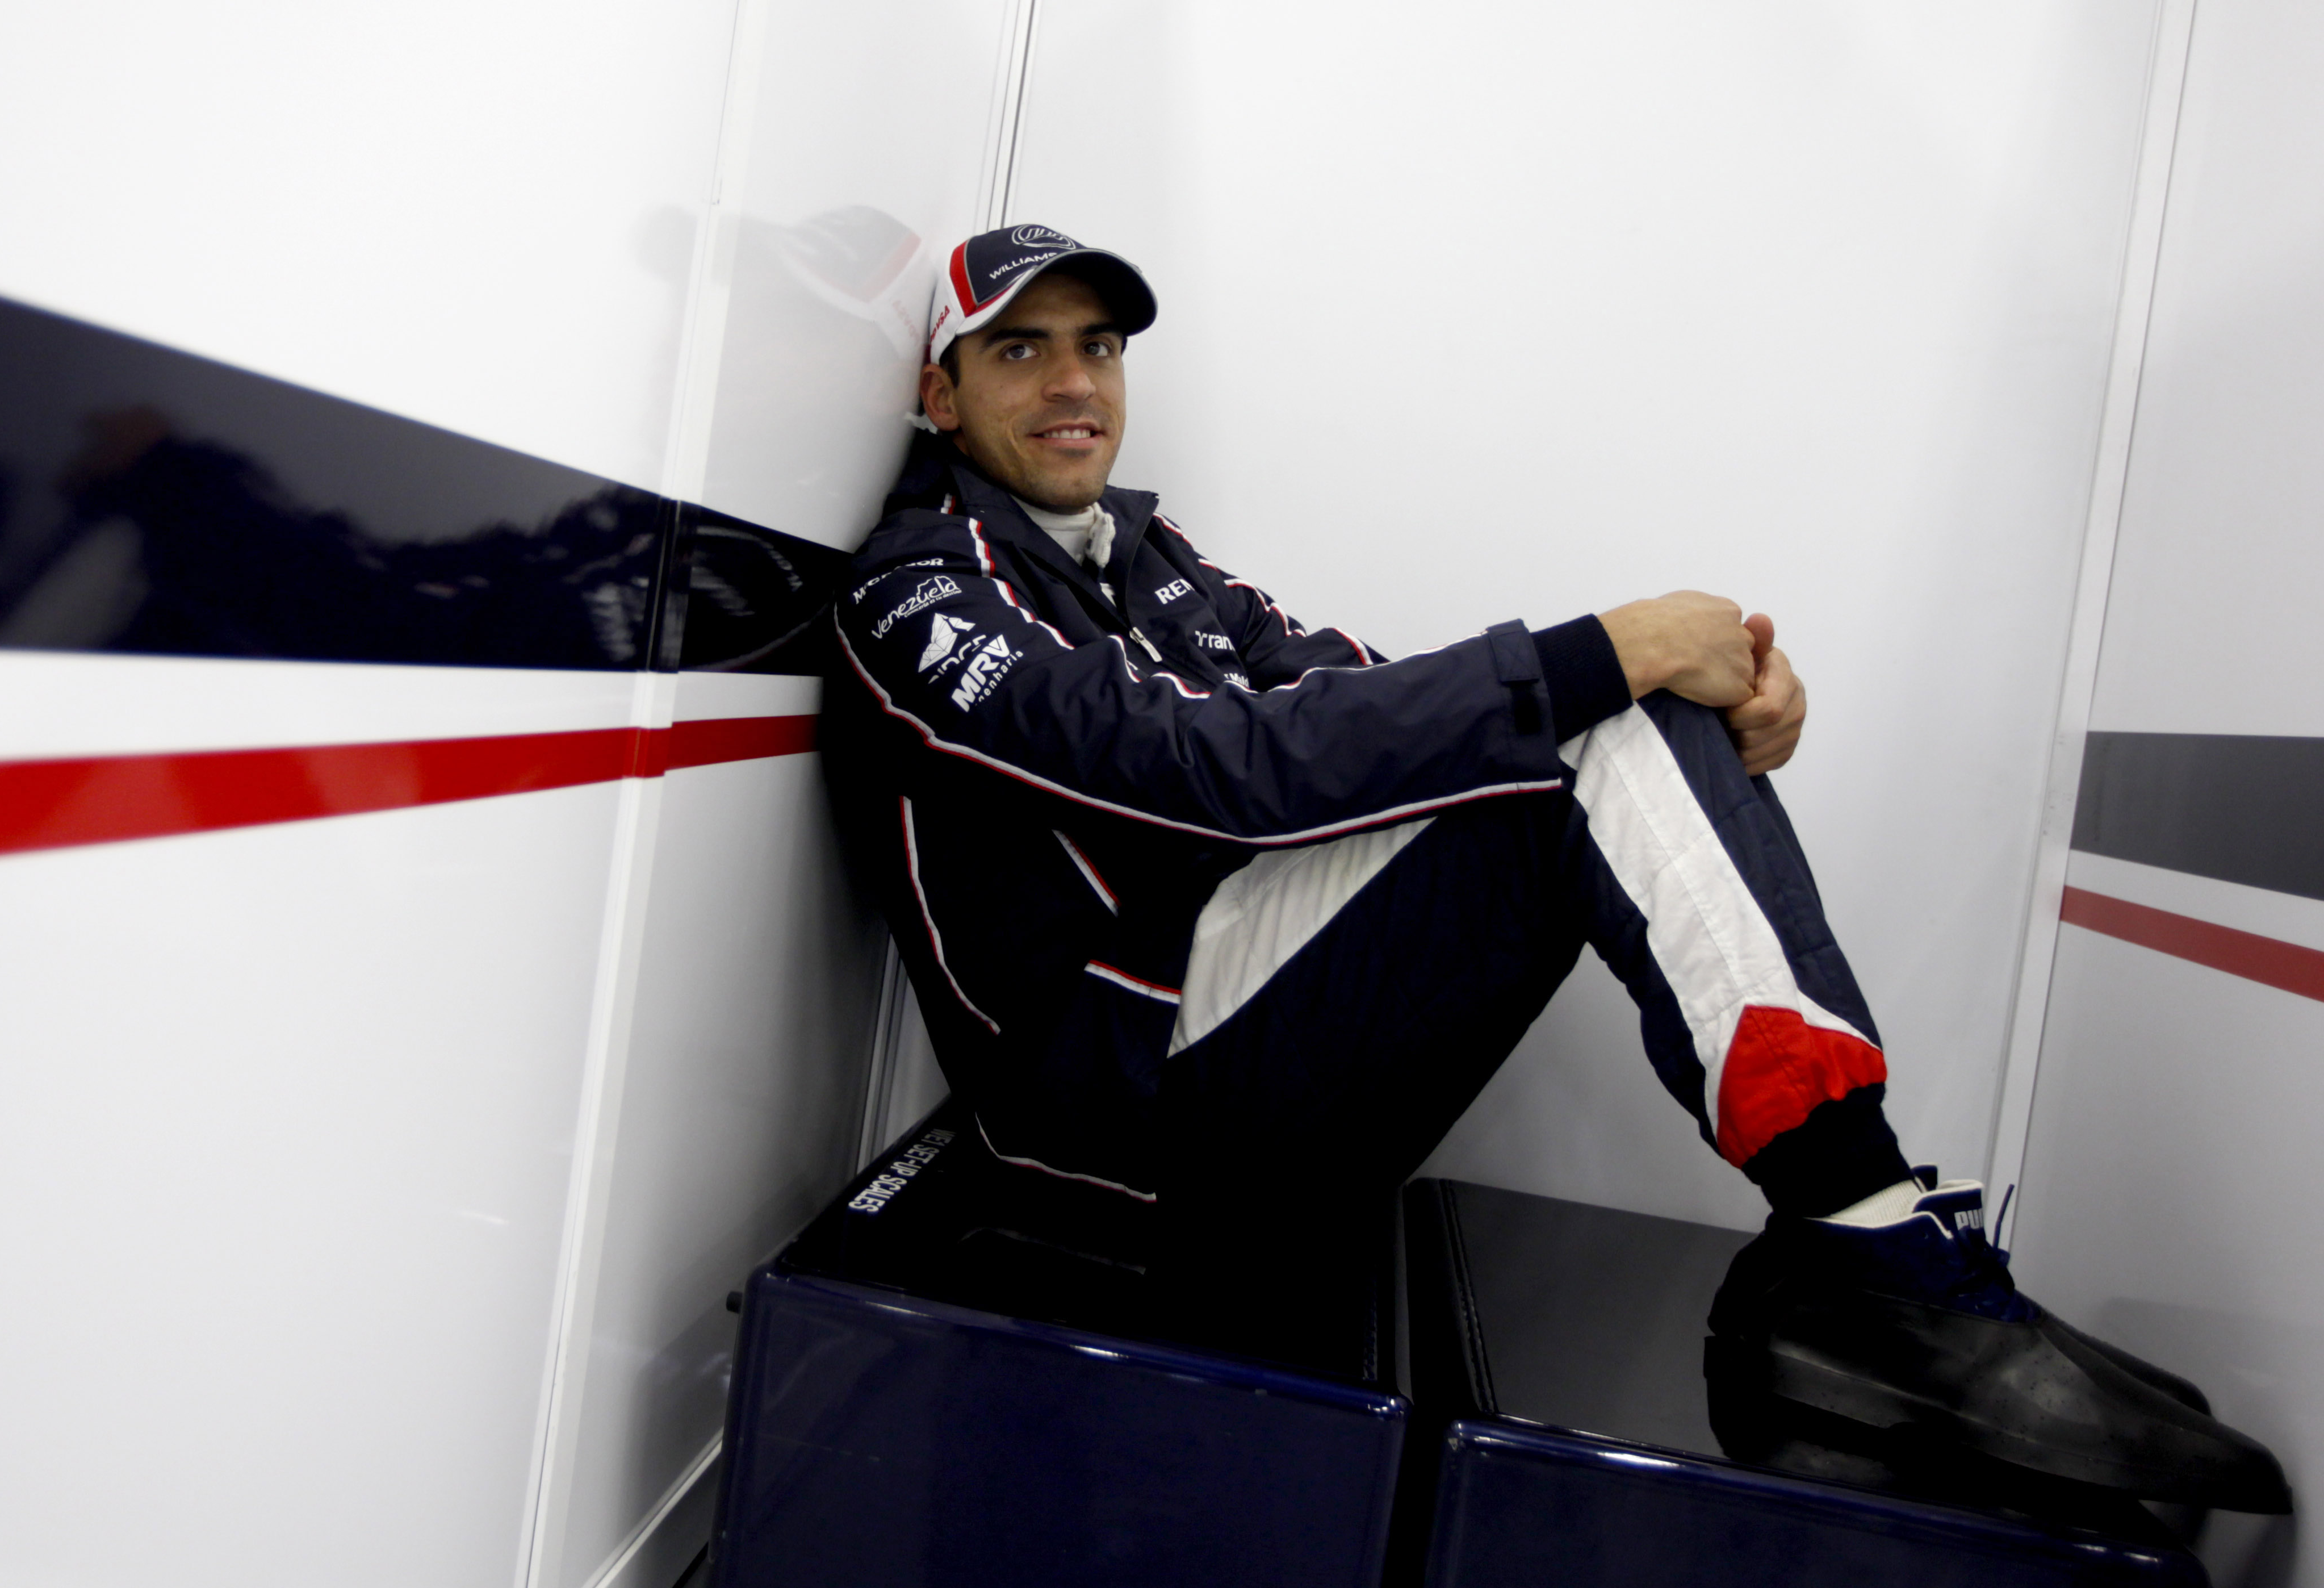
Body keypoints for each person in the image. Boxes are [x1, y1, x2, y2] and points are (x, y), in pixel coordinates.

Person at [818, 223, 2288, 1512]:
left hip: (1226, 1041)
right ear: (944, 395)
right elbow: (1214, 767)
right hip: (1114, 1122)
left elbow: (1364, 706)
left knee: (1603, 722)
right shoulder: (916, 585)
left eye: (1097, 345)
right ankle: (1868, 1253)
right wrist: (1605, 658)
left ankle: (1866, 1229)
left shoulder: (1154, 559)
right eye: (1020, 349)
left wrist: (1696, 712)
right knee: (1591, 710)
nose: (1072, 381)